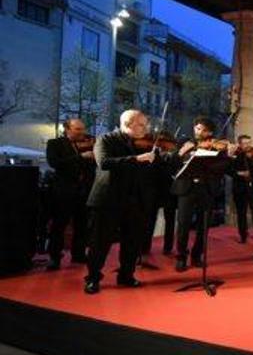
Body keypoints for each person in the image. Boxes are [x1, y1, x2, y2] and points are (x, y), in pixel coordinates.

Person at [84, 110, 157, 294]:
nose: (145, 128)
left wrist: (175, 155)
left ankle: (126, 275)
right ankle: (93, 278)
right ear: (128, 123)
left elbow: (157, 163)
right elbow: (104, 162)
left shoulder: (143, 144)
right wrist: (135, 159)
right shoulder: (105, 139)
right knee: (100, 242)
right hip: (108, 199)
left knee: (132, 242)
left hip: (134, 199)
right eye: (141, 124)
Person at [172, 117, 236, 272]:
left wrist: (229, 154)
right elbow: (173, 162)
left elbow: (225, 167)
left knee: (204, 225)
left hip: (206, 188)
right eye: (197, 128)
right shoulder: (185, 143)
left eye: (204, 130)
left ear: (211, 132)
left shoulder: (216, 146)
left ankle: (196, 255)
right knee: (183, 224)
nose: (199, 132)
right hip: (187, 188)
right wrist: (181, 153)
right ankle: (181, 257)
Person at [45, 118, 96, 270]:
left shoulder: (88, 143)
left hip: (83, 190)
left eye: (83, 129)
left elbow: (92, 167)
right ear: (67, 129)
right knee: (59, 225)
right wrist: (81, 157)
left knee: (82, 225)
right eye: (78, 129)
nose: (82, 132)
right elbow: (55, 163)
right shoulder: (55, 144)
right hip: (64, 191)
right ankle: (54, 257)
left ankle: (79, 254)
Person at [230, 134, 253, 244]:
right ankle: (243, 235)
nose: (247, 146)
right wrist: (239, 173)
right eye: (245, 143)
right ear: (239, 144)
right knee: (241, 213)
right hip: (239, 188)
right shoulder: (235, 156)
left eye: (248, 143)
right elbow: (229, 170)